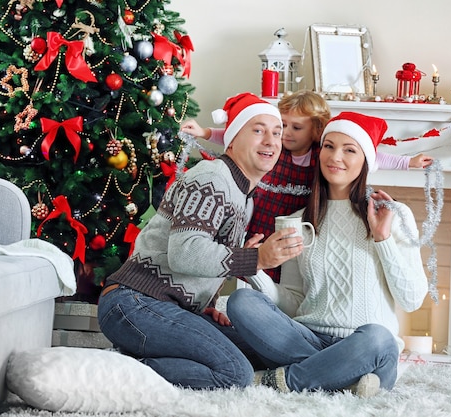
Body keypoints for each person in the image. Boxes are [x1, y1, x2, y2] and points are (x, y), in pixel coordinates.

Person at [97, 92, 305, 390]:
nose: (271, 141)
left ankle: (147, 358)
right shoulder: (212, 179)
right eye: (258, 130)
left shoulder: (242, 194)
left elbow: (202, 256)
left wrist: (198, 305)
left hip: (167, 306)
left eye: (277, 132)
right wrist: (256, 259)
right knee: (235, 374)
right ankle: (116, 373)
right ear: (232, 138)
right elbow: (185, 253)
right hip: (135, 303)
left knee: (261, 353)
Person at [226, 111, 429, 397]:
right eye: (329, 146)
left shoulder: (392, 215)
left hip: (365, 346)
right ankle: (340, 378)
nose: (335, 157)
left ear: (366, 160)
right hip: (308, 338)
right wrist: (254, 271)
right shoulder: (299, 220)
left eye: (349, 150)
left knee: (379, 338)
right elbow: (294, 302)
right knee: (242, 301)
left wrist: (382, 238)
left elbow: (412, 299)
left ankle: (291, 379)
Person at [181, 90, 432, 283]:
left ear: (317, 129)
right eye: (283, 125)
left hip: (299, 225)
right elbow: (238, 135)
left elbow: (374, 157)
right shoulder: (274, 149)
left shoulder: (323, 154)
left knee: (289, 272)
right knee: (256, 266)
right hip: (263, 218)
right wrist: (204, 132)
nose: (285, 133)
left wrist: (409, 162)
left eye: (296, 127)